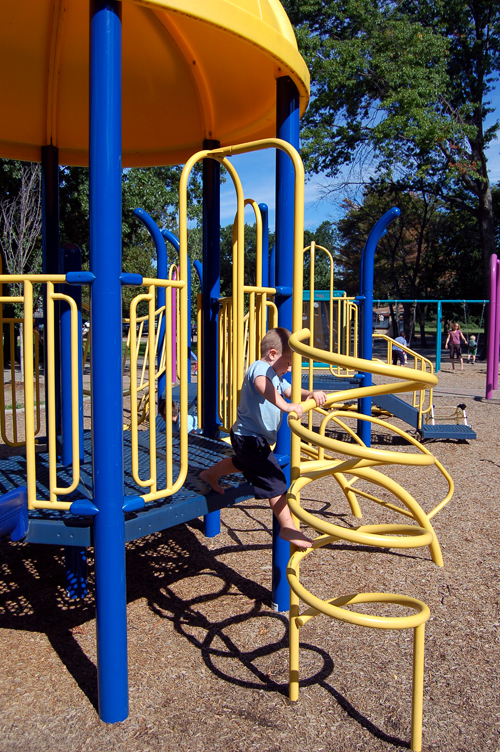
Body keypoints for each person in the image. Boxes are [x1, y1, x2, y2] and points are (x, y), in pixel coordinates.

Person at [199, 327, 327, 549]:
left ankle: (209, 474)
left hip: (249, 438)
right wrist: (287, 407)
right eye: (288, 363)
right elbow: (262, 385)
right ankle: (288, 526)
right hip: (249, 438)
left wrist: (310, 394)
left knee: (240, 463)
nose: (289, 369)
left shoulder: (276, 377)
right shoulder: (260, 368)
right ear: (273, 354)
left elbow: (289, 391)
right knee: (274, 478)